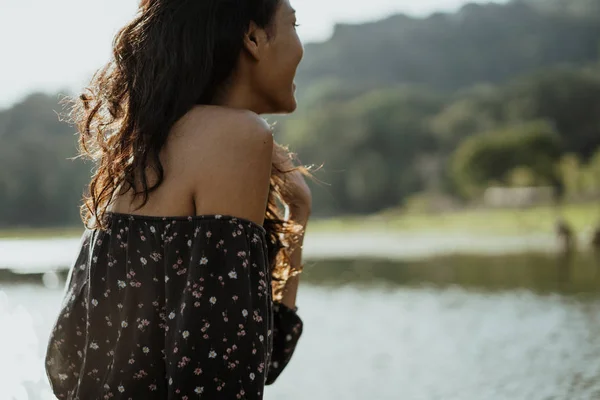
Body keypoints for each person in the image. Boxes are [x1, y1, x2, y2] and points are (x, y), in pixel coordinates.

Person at [44, 0, 311, 398]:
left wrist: (298, 211)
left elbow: (65, 362)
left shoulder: (143, 146)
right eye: (294, 23)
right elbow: (225, 376)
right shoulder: (237, 136)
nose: (301, 44)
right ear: (253, 37)